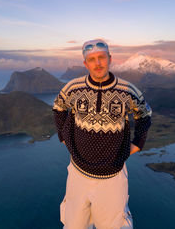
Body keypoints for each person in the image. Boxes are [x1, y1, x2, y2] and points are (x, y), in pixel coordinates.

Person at [53, 39, 152, 229]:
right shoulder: (73, 88)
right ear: (85, 63)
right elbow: (58, 107)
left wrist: (138, 143)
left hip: (113, 177)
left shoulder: (127, 90)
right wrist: (64, 136)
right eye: (91, 59)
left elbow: (144, 113)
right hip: (78, 173)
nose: (97, 63)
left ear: (110, 59)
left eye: (101, 58)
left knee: (114, 225)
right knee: (74, 224)